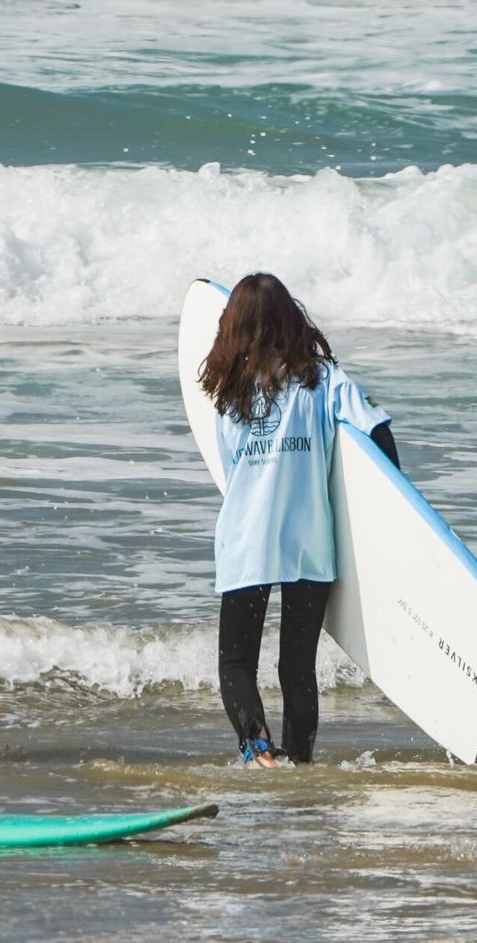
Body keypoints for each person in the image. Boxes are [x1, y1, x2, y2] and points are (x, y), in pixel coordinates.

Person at [197, 273, 399, 768]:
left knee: (236, 663)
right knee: (297, 667)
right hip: (311, 543)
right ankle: (301, 764)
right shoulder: (325, 380)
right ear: (290, 317)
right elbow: (380, 437)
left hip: (248, 541)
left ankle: (258, 747)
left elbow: (230, 472)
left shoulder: (227, 393)